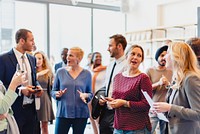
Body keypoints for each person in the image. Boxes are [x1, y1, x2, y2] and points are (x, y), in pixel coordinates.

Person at [0, 28, 43, 134]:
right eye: (31, 40)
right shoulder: (3, 59)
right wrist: (20, 90)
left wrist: (37, 87)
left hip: (31, 109)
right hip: (14, 110)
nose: (34, 43)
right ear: (22, 41)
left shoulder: (32, 59)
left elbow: (33, 79)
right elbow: (1, 86)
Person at [153, 42, 200, 134]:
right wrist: (161, 109)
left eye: (167, 53)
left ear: (177, 57)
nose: (164, 57)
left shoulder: (190, 79)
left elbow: (198, 113)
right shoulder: (177, 78)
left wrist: (170, 108)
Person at [107, 45, 152, 134]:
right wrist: (110, 102)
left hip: (137, 127)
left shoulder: (143, 78)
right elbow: (116, 99)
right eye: (133, 54)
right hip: (118, 127)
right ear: (126, 56)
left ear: (141, 60)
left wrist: (125, 103)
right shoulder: (117, 77)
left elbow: (147, 104)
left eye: (139, 56)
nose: (135, 57)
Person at [51, 47, 93, 134]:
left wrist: (86, 96)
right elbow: (53, 91)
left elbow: (90, 93)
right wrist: (57, 94)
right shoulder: (60, 72)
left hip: (81, 113)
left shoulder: (87, 74)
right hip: (63, 112)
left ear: (79, 58)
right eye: (67, 55)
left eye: (71, 55)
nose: (67, 57)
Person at [99, 34, 128, 134]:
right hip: (106, 109)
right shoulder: (111, 65)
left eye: (110, 45)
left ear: (119, 46)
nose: (108, 49)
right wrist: (103, 98)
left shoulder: (127, 65)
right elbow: (107, 85)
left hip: (119, 111)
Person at [146, 45, 172, 134]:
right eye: (161, 56)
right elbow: (145, 89)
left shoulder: (171, 71)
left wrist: (168, 84)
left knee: (164, 132)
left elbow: (175, 89)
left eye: (166, 56)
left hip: (166, 109)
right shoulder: (149, 70)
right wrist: (158, 83)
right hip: (153, 108)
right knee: (148, 131)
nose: (164, 58)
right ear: (157, 56)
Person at [34, 51, 55, 134]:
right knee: (34, 125)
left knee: (44, 126)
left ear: (43, 60)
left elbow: (52, 88)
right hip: (34, 98)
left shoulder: (48, 72)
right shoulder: (32, 71)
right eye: (35, 58)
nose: (37, 60)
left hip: (45, 99)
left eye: (39, 58)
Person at [88, 52, 107, 134]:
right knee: (92, 118)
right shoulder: (89, 70)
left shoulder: (105, 70)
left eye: (100, 56)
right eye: (96, 57)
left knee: (98, 119)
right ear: (92, 59)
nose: (98, 58)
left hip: (99, 98)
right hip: (90, 98)